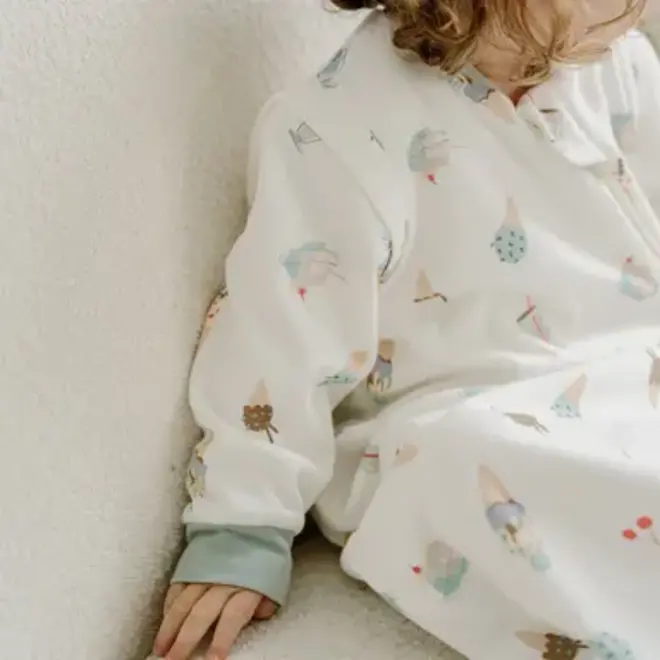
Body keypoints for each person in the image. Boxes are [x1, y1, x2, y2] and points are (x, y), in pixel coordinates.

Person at [153, 1, 660, 659]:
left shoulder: (614, 64)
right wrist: (241, 527)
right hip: (464, 411)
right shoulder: (338, 129)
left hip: (631, 374)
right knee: (467, 463)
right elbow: (280, 340)